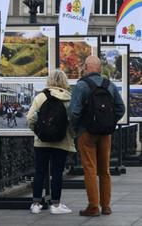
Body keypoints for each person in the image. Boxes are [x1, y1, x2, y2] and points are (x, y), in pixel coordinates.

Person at [68, 55, 125, 216]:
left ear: (86, 67)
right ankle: (106, 206)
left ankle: (93, 206)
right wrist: (110, 122)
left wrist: (76, 128)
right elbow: (121, 108)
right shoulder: (110, 85)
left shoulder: (81, 86)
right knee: (104, 170)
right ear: (99, 69)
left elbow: (73, 112)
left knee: (90, 168)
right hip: (106, 133)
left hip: (86, 132)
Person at [27, 69, 76, 214]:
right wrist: (71, 135)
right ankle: (56, 204)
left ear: (49, 81)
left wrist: (38, 132)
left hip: (41, 142)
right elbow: (73, 122)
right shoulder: (68, 98)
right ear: (64, 81)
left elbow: (30, 118)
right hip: (62, 142)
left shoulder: (41, 97)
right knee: (57, 172)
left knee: (40, 171)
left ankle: (36, 204)